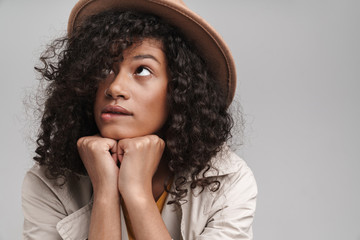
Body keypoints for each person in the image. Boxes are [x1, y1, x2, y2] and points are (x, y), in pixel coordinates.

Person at [22, 0, 257, 239]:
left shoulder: (227, 180)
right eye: (105, 69)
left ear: (180, 90)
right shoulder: (49, 182)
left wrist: (136, 192)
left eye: (142, 70)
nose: (115, 88)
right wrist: (105, 193)